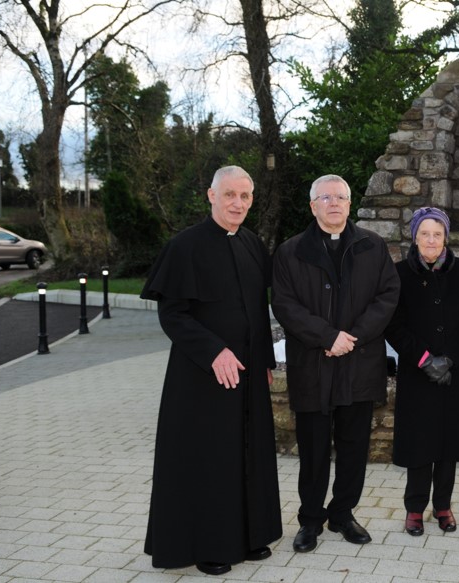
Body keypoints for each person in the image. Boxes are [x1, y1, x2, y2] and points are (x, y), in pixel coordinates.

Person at [140, 166, 282, 576]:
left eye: (245, 196)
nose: (238, 203)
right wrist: (213, 351)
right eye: (230, 195)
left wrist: (267, 362)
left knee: (248, 452)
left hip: (250, 372)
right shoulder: (184, 246)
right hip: (201, 375)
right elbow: (172, 314)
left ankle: (250, 536)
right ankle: (209, 545)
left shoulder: (254, 244)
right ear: (211, 195)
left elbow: (258, 308)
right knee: (210, 457)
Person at [271, 174, 400, 553]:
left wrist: (352, 337)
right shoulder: (289, 252)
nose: (333, 203)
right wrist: (328, 337)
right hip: (313, 364)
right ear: (312, 206)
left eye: (340, 196)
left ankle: (343, 513)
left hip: (359, 364)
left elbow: (388, 296)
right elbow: (285, 304)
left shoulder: (372, 247)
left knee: (354, 446)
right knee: (312, 448)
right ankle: (310, 520)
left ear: (349, 203)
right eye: (325, 197)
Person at [385, 207, 459, 536]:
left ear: (445, 237)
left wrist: (450, 358)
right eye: (425, 234)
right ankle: (414, 510)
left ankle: (443, 506)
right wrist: (425, 359)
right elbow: (394, 324)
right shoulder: (399, 273)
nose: (431, 240)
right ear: (414, 237)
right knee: (420, 443)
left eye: (437, 234)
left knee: (449, 443)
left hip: (454, 372)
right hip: (419, 373)